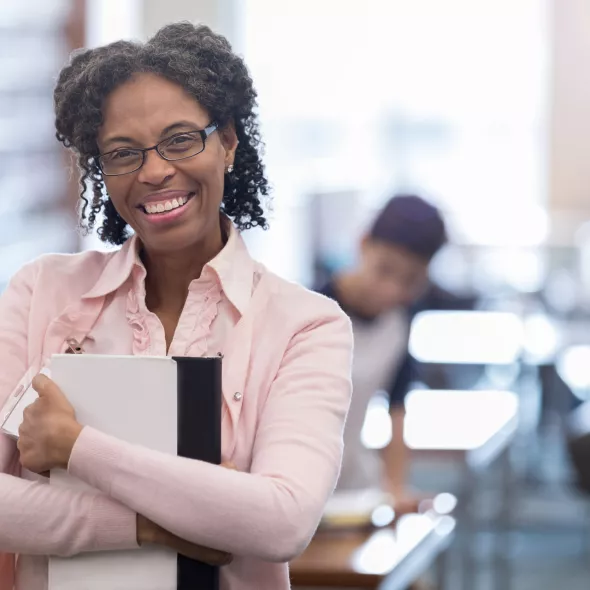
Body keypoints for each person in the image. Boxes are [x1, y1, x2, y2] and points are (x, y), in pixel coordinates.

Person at [0, 22, 353, 590]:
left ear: (229, 142)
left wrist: (77, 448)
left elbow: (282, 520)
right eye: (122, 153)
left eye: (181, 139)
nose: (154, 170)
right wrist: (150, 526)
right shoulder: (41, 291)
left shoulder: (305, 326)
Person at [316, 195, 446, 513]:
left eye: (411, 280)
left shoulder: (400, 321)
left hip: (358, 488)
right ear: (363, 245)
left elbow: (398, 407)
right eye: (385, 270)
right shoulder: (310, 309)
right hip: (302, 485)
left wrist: (396, 488)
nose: (392, 290)